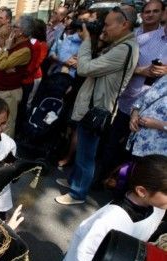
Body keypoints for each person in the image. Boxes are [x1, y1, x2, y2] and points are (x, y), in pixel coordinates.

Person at [55, 6, 139, 205]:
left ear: (124, 24)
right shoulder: (119, 44)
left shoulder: (123, 49)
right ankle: (75, 182)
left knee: (86, 154)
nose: (104, 28)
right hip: (94, 105)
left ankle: (78, 193)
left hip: (98, 108)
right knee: (83, 148)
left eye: (108, 25)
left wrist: (85, 41)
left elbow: (84, 68)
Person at [99, 0, 167, 182]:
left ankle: (123, 187)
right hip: (130, 101)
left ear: (162, 14)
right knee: (113, 145)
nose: (151, 15)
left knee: (140, 160)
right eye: (147, 11)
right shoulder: (141, 37)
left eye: (156, 11)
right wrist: (141, 70)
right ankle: (103, 181)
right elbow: (122, 65)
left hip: (156, 118)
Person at [0, 15, 34, 138]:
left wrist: (6, 51)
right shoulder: (14, 43)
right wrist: (5, 53)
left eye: (15, 26)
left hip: (9, 92)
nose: (12, 29)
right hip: (1, 89)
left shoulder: (25, 49)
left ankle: (6, 153)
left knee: (6, 123)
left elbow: (2, 64)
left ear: (21, 32)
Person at [17, 18, 48, 134]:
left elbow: (36, 63)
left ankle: (23, 126)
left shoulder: (41, 45)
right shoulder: (29, 41)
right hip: (25, 76)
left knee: (27, 102)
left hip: (33, 77)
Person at [128, 74, 166, 157]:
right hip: (136, 142)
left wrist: (157, 124)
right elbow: (141, 99)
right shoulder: (164, 78)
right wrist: (134, 115)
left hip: (156, 155)